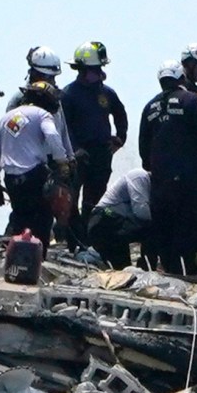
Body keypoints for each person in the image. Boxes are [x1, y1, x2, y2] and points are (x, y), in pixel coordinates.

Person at [139, 61, 197, 273]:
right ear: (181, 78)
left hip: (159, 183)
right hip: (188, 180)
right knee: (188, 229)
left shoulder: (149, 107)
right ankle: (186, 274)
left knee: (164, 229)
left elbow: (143, 151)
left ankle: (168, 271)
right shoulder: (192, 101)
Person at [0, 80, 72, 246]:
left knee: (20, 218)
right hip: (35, 176)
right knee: (43, 220)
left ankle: (16, 260)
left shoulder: (7, 118)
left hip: (11, 179)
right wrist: (62, 161)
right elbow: (53, 136)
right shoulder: (42, 115)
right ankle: (38, 259)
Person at [60, 42, 129, 243]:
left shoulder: (106, 93)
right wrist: (75, 150)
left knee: (95, 200)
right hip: (77, 156)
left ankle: (91, 240)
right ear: (83, 70)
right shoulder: (68, 94)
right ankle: (73, 241)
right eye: (96, 69)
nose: (100, 73)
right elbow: (64, 127)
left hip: (101, 153)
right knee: (71, 200)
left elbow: (120, 114)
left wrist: (120, 137)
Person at [85, 168, 151, 269]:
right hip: (103, 221)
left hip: (117, 225)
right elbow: (142, 212)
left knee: (122, 269)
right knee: (149, 228)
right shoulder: (140, 176)